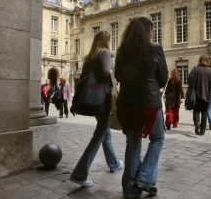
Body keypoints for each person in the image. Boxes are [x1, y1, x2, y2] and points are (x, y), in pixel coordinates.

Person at [115, 17, 168, 199]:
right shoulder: (154, 48)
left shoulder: (122, 50)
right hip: (148, 104)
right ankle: (145, 177)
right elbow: (163, 78)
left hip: (126, 105)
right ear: (149, 30)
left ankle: (130, 189)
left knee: (133, 144)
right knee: (158, 138)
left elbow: (118, 76)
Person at [69, 31, 123, 188]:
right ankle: (79, 173)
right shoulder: (105, 53)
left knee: (105, 133)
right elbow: (107, 74)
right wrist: (116, 71)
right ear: (106, 41)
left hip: (92, 100)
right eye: (109, 40)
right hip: (102, 101)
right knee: (100, 134)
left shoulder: (89, 57)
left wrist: (74, 101)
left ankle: (113, 163)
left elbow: (83, 81)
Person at [186, 55, 211, 136]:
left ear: (199, 61)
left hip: (196, 95)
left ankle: (197, 123)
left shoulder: (195, 69)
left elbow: (189, 79)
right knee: (204, 112)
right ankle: (202, 130)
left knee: (196, 110)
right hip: (207, 95)